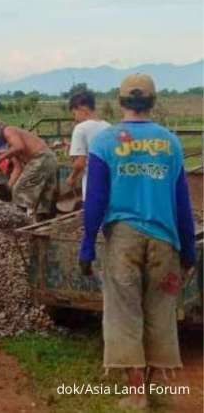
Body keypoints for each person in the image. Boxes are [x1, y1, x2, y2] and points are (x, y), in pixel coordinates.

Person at [79, 74, 196, 410]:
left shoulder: (104, 142)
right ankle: (159, 386)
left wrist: (87, 244)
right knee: (161, 310)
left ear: (119, 103)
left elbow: (96, 201)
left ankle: (135, 393)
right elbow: (181, 203)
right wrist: (187, 248)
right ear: (153, 102)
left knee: (124, 310)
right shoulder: (170, 143)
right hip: (164, 238)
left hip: (123, 238)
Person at [0, 119, 57, 220]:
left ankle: (21, 219)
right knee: (44, 193)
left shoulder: (8, 130)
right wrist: (9, 186)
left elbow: (19, 147)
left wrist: (0, 157)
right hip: (49, 159)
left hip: (41, 157)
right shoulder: (10, 145)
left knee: (20, 191)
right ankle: (43, 219)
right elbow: (18, 168)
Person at [66, 90, 110, 199]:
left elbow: (80, 163)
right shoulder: (108, 126)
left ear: (82, 108)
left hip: (92, 187)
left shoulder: (81, 128)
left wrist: (72, 178)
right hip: (110, 185)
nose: (75, 118)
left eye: (74, 113)